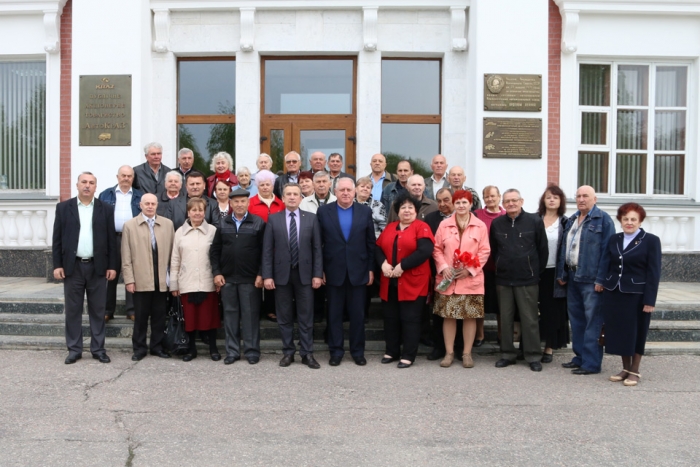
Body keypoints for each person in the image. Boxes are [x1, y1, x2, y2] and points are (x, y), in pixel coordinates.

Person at [53, 172, 117, 364]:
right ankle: (74, 349)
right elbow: (57, 239)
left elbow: (111, 241)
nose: (87, 186)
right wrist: (57, 265)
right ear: (77, 185)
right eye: (84, 182)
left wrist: (112, 265)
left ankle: (98, 349)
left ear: (96, 187)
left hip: (97, 267)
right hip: (73, 267)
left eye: (91, 183)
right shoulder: (64, 208)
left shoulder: (105, 209)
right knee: (73, 310)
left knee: (98, 310)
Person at [262, 183, 324, 369]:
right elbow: (267, 250)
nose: (292, 197)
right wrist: (267, 275)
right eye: (288, 194)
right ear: (283, 197)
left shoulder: (311, 219)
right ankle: (288, 352)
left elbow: (317, 249)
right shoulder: (274, 219)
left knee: (306, 316)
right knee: (284, 316)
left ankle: (307, 353)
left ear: (300, 198)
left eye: (295, 194)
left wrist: (317, 274)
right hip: (281, 276)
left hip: (305, 275)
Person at [556, 185, 615, 375]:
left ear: (594, 199)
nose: (581, 199)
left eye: (585, 196)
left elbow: (608, 253)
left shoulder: (603, 220)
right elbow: (564, 248)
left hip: (592, 280)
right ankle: (580, 357)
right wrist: (562, 274)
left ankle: (591, 363)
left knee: (593, 322)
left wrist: (601, 279)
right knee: (577, 320)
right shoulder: (572, 219)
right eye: (578, 196)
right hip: (573, 277)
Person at [601, 203, 661, 387]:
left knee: (636, 332)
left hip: (637, 294)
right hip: (614, 292)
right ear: (620, 220)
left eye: (633, 219)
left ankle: (634, 370)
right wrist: (602, 282)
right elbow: (607, 263)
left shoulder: (650, 240)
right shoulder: (615, 239)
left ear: (640, 220)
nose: (629, 222)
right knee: (620, 332)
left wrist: (650, 300)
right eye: (625, 219)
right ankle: (625, 369)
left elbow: (654, 272)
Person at [317, 178, 376, 366]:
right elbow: (318, 244)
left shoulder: (365, 211)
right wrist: (320, 270)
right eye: (341, 190)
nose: (345, 193)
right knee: (334, 314)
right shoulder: (324, 211)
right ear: (335, 191)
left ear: (355, 191)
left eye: (349, 190)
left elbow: (370, 243)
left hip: (358, 271)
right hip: (333, 271)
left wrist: (370, 269)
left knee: (357, 315)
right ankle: (336, 352)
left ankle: (357, 352)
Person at [490, 189, 548, 372]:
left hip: (527, 278)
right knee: (505, 318)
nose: (511, 204)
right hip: (504, 279)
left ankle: (532, 355)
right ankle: (507, 354)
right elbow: (493, 250)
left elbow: (542, 250)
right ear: (503, 203)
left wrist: (534, 272)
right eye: (507, 201)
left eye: (514, 200)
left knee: (529, 319)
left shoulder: (534, 221)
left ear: (521, 201)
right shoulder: (497, 223)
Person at [375, 191, 435, 368]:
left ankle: (408, 355)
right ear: (397, 210)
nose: (406, 211)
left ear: (416, 211)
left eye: (410, 207)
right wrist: (383, 264)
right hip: (390, 281)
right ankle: (391, 351)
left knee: (411, 319)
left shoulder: (422, 227)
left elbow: (424, 251)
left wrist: (402, 266)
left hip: (413, 282)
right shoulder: (390, 227)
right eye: (403, 207)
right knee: (391, 318)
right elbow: (377, 248)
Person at [433, 190, 490, 368]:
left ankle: (467, 353)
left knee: (469, 316)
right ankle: (449, 353)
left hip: (470, 280)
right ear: (453, 205)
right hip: (448, 278)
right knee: (448, 316)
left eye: (464, 202)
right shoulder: (444, 225)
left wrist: (470, 270)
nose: (461, 206)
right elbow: (436, 249)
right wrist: (443, 267)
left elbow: (484, 251)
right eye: (458, 202)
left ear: (471, 204)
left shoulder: (480, 226)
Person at [211, 188, 266, 365]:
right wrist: (217, 272)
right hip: (227, 279)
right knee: (230, 316)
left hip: (250, 280)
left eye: (243, 201)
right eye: (236, 201)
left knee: (250, 316)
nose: (239, 204)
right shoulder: (222, 223)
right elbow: (215, 251)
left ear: (248, 203)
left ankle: (251, 352)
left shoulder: (258, 223)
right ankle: (232, 352)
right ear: (231, 203)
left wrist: (261, 274)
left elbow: (265, 252)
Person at [121, 193, 175, 361]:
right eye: (147, 204)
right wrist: (129, 280)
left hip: (161, 279)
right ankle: (139, 348)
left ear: (157, 205)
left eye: (153, 203)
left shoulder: (167, 224)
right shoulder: (130, 226)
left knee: (159, 316)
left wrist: (173, 279)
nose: (150, 206)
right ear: (140, 205)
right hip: (141, 279)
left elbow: (174, 254)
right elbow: (126, 256)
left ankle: (157, 347)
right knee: (141, 316)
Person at [169, 197, 221, 362]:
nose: (197, 213)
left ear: (204, 212)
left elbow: (218, 256)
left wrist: (217, 278)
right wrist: (174, 283)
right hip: (187, 281)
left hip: (207, 280)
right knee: (189, 319)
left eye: (200, 210)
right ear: (188, 212)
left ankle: (213, 348)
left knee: (210, 318)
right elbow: (175, 259)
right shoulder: (180, 232)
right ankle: (191, 350)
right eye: (194, 210)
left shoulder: (213, 231)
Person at [98, 165, 142, 322]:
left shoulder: (139, 196)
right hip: (112, 239)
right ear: (117, 177)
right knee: (111, 274)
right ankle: (108, 310)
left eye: (129, 176)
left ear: (133, 178)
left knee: (132, 274)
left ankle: (132, 310)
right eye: (123, 175)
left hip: (133, 239)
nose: (126, 178)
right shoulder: (105, 194)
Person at [424, 187, 462, 361]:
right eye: (439, 201)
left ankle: (460, 348)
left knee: (460, 311)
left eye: (446, 200)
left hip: (462, 273)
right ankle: (439, 347)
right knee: (439, 311)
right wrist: (441, 267)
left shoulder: (462, 218)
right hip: (438, 271)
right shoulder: (431, 219)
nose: (442, 204)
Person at [536, 185, 569, 363]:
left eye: (555, 197)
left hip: (555, 273)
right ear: (543, 200)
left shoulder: (566, 222)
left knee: (552, 311)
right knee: (531, 310)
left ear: (561, 201)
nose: (551, 200)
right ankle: (530, 346)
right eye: (548, 197)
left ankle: (549, 347)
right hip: (536, 271)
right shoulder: (535, 219)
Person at [248, 169, 285, 322]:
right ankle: (256, 309)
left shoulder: (281, 204)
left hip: (277, 247)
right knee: (256, 278)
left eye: (267, 184)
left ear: (272, 185)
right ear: (257, 186)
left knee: (273, 278)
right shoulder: (250, 203)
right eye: (261, 185)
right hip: (255, 246)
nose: (264, 187)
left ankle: (271, 309)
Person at [473, 185, 506, 346]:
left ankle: (501, 335)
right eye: (486, 196)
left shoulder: (507, 215)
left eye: (493, 196)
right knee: (480, 302)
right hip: (480, 268)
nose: (490, 199)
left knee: (501, 304)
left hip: (501, 268)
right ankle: (480, 335)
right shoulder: (477, 215)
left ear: (499, 196)